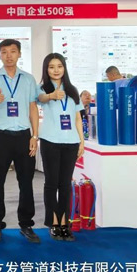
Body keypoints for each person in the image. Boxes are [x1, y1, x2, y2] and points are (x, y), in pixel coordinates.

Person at [0, 39, 41, 243]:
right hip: (1, 136)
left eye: (13, 51)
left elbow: (32, 108)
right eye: (4, 52)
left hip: (23, 136)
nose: (9, 56)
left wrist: (34, 135)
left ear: (19, 54)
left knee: (26, 181)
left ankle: (26, 224)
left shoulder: (28, 79)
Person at [38, 53, 85, 241]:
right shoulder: (43, 88)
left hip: (71, 142)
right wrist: (51, 95)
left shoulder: (72, 90)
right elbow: (40, 99)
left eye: (59, 66)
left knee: (65, 184)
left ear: (64, 68)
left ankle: (65, 223)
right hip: (50, 141)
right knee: (51, 183)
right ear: (46, 69)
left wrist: (81, 141)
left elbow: (77, 118)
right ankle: (53, 222)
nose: (56, 70)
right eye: (51, 67)